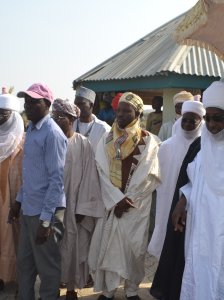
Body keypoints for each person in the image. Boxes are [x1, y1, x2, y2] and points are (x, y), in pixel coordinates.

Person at [88, 92, 160, 300]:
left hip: (135, 206)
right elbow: (100, 170)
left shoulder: (150, 141)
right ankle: (108, 292)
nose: (120, 115)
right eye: (119, 110)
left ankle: (131, 291)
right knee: (108, 246)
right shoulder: (106, 138)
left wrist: (127, 199)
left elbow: (150, 174)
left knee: (134, 249)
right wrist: (115, 200)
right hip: (112, 205)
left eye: (126, 111)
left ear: (137, 113)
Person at [9, 83, 67, 300]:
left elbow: (56, 182)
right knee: (25, 266)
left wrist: (46, 221)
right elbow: (30, 173)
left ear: (48, 104)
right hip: (29, 209)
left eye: (35, 101)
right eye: (27, 101)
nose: (29, 105)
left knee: (48, 269)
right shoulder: (31, 130)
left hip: (47, 212)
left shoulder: (52, 134)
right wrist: (18, 201)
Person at [172, 80, 224, 300]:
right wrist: (182, 202)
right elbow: (194, 182)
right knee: (199, 276)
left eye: (218, 118)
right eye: (209, 119)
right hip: (200, 227)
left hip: (220, 233)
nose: (211, 125)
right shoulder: (203, 149)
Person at [148, 100, 205, 300]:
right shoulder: (166, 146)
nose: (188, 124)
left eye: (193, 121)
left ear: (200, 121)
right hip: (167, 204)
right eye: (185, 120)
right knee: (167, 247)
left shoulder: (204, 146)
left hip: (192, 205)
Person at [51, 99, 104, 300]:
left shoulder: (83, 143)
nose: (55, 120)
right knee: (52, 248)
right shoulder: (50, 139)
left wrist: (83, 207)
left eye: (59, 117)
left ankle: (72, 289)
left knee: (74, 247)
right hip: (52, 205)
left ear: (72, 119)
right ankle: (53, 287)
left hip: (75, 207)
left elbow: (91, 176)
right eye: (53, 116)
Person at [0, 93, 24, 290]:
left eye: (5, 113)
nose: (0, 116)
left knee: (13, 240)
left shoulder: (23, 142)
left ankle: (13, 281)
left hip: (15, 203)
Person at [74, 86, 110, 153]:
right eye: (75, 104)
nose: (77, 107)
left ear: (91, 105)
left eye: (81, 104)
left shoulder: (104, 129)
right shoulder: (71, 125)